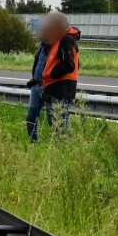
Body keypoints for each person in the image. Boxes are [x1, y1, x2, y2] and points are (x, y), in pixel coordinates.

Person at [26, 12, 80, 142]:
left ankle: (64, 146)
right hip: (38, 85)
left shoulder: (64, 41)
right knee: (32, 118)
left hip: (52, 86)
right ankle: (34, 145)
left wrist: (52, 74)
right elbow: (39, 63)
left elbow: (70, 65)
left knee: (57, 120)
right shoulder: (45, 44)